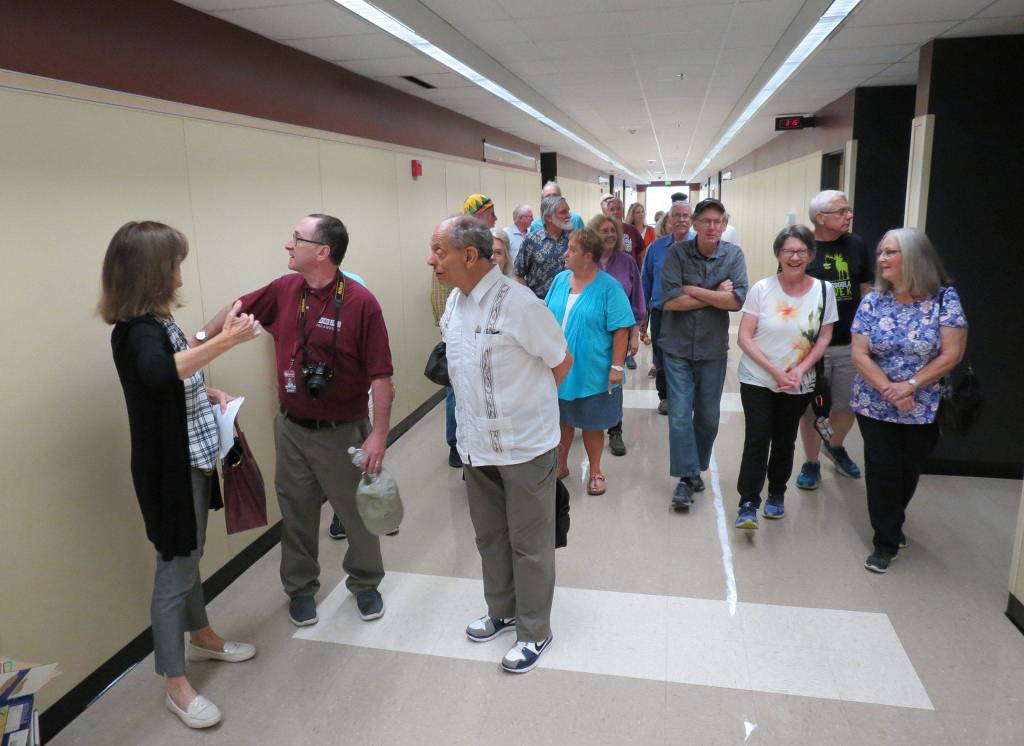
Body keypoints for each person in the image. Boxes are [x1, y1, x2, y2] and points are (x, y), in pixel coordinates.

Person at [196, 213, 395, 627]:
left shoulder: (360, 303)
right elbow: (236, 309)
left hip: (343, 432)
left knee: (356, 514)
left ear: (323, 251)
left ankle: (365, 582)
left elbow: (381, 376)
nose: (288, 245)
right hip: (291, 428)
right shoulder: (285, 290)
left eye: (296, 239)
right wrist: (198, 342)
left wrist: (378, 434)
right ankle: (301, 589)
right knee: (297, 512)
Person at [101, 221, 261, 729]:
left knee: (190, 554)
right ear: (151, 271)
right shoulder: (134, 332)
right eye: (173, 263)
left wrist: (209, 344)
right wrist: (226, 343)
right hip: (166, 470)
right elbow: (156, 371)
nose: (178, 272)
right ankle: (174, 680)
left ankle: (203, 637)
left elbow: (178, 359)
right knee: (175, 569)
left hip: (189, 458)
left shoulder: (157, 320)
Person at [430, 214, 572, 673]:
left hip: (526, 447)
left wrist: (528, 411)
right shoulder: (455, 301)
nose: (431, 259)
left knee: (530, 542)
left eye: (439, 251)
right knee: (490, 535)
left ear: (469, 255)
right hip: (475, 446)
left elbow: (560, 362)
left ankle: (535, 630)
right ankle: (502, 610)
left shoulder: (521, 303)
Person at [851, 228, 967, 573]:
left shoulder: (945, 300)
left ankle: (892, 521)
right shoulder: (873, 300)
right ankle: (884, 541)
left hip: (923, 403)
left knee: (908, 470)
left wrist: (911, 386)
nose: (881, 259)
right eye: (880, 252)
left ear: (914, 258)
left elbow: (953, 353)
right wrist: (890, 388)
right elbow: (860, 353)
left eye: (890, 253)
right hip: (875, 401)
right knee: (882, 471)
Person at [734, 226, 837, 529]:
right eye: (788, 251)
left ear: (810, 255)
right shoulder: (762, 289)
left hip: (798, 381)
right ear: (778, 254)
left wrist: (800, 370)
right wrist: (776, 371)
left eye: (801, 251)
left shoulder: (823, 290)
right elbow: (744, 336)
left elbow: (824, 337)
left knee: (784, 439)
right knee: (757, 438)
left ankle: (776, 494)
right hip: (757, 378)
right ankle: (748, 502)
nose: (794, 257)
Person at [660, 198, 748, 510]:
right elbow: (670, 301)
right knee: (681, 415)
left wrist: (693, 290)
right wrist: (715, 294)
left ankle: (694, 466)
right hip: (677, 347)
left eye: (718, 221)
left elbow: (737, 300)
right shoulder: (677, 253)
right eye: (706, 221)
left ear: (724, 225)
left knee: (709, 418)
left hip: (712, 348)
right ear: (695, 225)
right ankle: (686, 477)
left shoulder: (733, 255)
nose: (712, 227)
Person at [546, 228, 634, 495]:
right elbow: (546, 316)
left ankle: (595, 471)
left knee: (592, 424)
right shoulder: (560, 280)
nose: (566, 254)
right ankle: (560, 465)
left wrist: (617, 367)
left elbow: (621, 328)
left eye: (571, 249)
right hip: (559, 367)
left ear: (587, 256)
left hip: (592, 369)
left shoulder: (609, 287)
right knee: (561, 420)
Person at [796, 190, 873, 489]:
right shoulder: (802, 246)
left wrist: (868, 335)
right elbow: (789, 291)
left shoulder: (856, 245)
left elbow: (865, 289)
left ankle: (835, 446)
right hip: (812, 347)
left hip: (850, 345)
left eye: (848, 210)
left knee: (846, 407)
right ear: (820, 218)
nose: (849, 215)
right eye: (842, 211)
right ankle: (811, 462)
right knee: (812, 410)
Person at [587, 214, 645, 457]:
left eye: (613, 230)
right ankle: (589, 423)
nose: (610, 234)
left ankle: (615, 430)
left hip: (618, 333)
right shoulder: (586, 261)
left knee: (615, 380)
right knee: (589, 379)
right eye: (604, 230)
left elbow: (637, 300)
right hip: (590, 332)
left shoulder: (627, 262)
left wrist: (635, 334)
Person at [641, 201, 693, 413]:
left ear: (692, 221)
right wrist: (643, 317)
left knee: (688, 354)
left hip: (691, 310)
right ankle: (665, 397)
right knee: (662, 355)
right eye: (677, 215)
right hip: (663, 311)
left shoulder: (699, 246)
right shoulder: (656, 248)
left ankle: (686, 395)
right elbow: (646, 280)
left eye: (686, 216)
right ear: (669, 221)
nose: (681, 219)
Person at [515, 194, 572, 299]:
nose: (569, 216)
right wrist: (530, 299)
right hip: (539, 304)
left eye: (568, 211)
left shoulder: (573, 239)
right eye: (563, 212)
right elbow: (518, 274)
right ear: (549, 217)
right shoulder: (531, 240)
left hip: (567, 303)